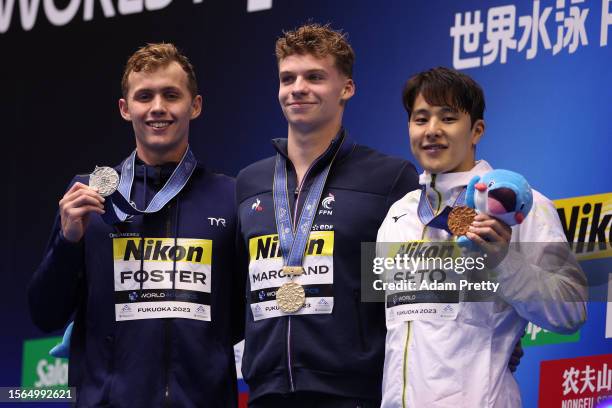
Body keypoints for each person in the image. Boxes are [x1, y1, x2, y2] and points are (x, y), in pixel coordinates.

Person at [28, 43, 242, 407]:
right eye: (145, 96)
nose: (158, 107)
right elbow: (44, 314)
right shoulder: (88, 196)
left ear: (195, 105)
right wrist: (67, 242)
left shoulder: (231, 196)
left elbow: (241, 317)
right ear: (126, 109)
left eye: (171, 95)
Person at [377, 67, 588, 407]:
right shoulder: (397, 215)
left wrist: (504, 262)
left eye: (447, 119)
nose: (432, 131)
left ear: (476, 130)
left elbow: (571, 310)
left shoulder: (519, 208)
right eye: (420, 119)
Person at [235, 24, 420, 407]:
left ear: (346, 88)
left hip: (354, 393)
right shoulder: (249, 182)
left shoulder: (388, 178)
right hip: (266, 394)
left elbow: (416, 293)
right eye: (288, 78)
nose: (298, 88)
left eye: (315, 77)